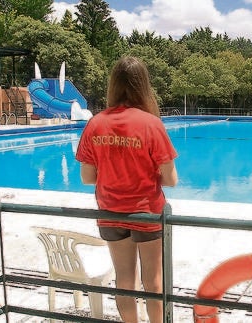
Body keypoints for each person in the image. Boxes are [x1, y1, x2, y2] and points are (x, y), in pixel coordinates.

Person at [76, 56, 178, 323]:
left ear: (113, 85)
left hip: (111, 213)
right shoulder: (150, 124)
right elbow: (171, 179)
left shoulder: (95, 123)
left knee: (124, 281)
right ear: (143, 86)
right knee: (153, 283)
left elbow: (87, 177)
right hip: (146, 213)